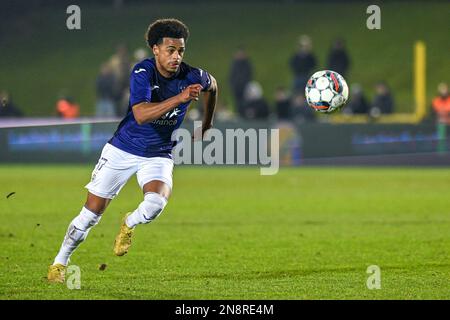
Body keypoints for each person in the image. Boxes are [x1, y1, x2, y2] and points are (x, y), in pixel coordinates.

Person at [47, 18, 218, 283]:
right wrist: (179, 98)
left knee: (155, 204)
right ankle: (59, 263)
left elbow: (213, 86)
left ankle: (129, 222)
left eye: (181, 50)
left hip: (159, 152)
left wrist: (207, 124)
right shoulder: (143, 72)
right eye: (171, 50)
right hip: (123, 149)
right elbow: (140, 114)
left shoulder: (192, 75)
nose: (177, 56)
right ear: (156, 50)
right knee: (90, 215)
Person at [229, 47, 253, 117]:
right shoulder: (234, 64)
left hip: (244, 87)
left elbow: (249, 75)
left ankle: (243, 114)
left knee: (244, 102)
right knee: (237, 102)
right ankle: (238, 113)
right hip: (236, 87)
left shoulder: (247, 64)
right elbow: (231, 75)